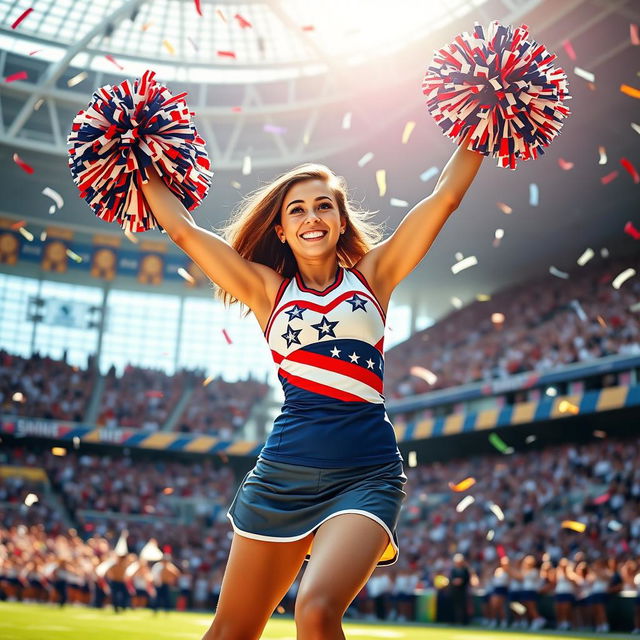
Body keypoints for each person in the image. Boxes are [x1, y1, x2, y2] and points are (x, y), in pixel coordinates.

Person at [140, 131, 483, 639]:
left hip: (368, 473)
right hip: (282, 475)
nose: (312, 218)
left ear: (341, 221)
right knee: (231, 631)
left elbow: (445, 198)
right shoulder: (265, 290)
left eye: (323, 206)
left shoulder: (375, 275)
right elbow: (185, 231)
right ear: (280, 229)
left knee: (317, 610)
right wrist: (135, 149)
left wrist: (488, 117)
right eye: (296, 210)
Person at [449, 553, 476, 625]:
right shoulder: (453, 570)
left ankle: (464, 622)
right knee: (453, 606)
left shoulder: (465, 570)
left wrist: (461, 581)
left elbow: (467, 579)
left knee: (463, 606)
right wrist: (454, 581)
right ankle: (453, 621)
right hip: (454, 591)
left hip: (463, 590)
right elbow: (451, 579)